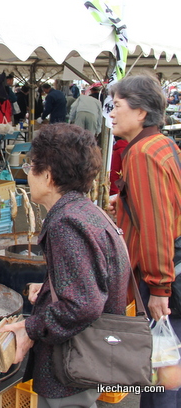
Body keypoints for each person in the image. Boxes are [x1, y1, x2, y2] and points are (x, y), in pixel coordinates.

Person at [1, 123, 131, 408]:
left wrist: (31, 328)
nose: (27, 174)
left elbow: (83, 304)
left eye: (30, 166)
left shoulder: (66, 222)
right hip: (90, 356)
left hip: (70, 364)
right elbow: (92, 280)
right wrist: (49, 289)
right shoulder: (85, 210)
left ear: (47, 176)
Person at [108, 74, 181, 408]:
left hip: (165, 278)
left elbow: (157, 227)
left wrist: (159, 287)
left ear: (140, 112)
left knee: (161, 370)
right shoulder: (163, 145)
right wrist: (123, 202)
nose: (111, 112)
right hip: (172, 270)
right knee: (166, 362)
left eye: (118, 105)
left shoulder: (141, 154)